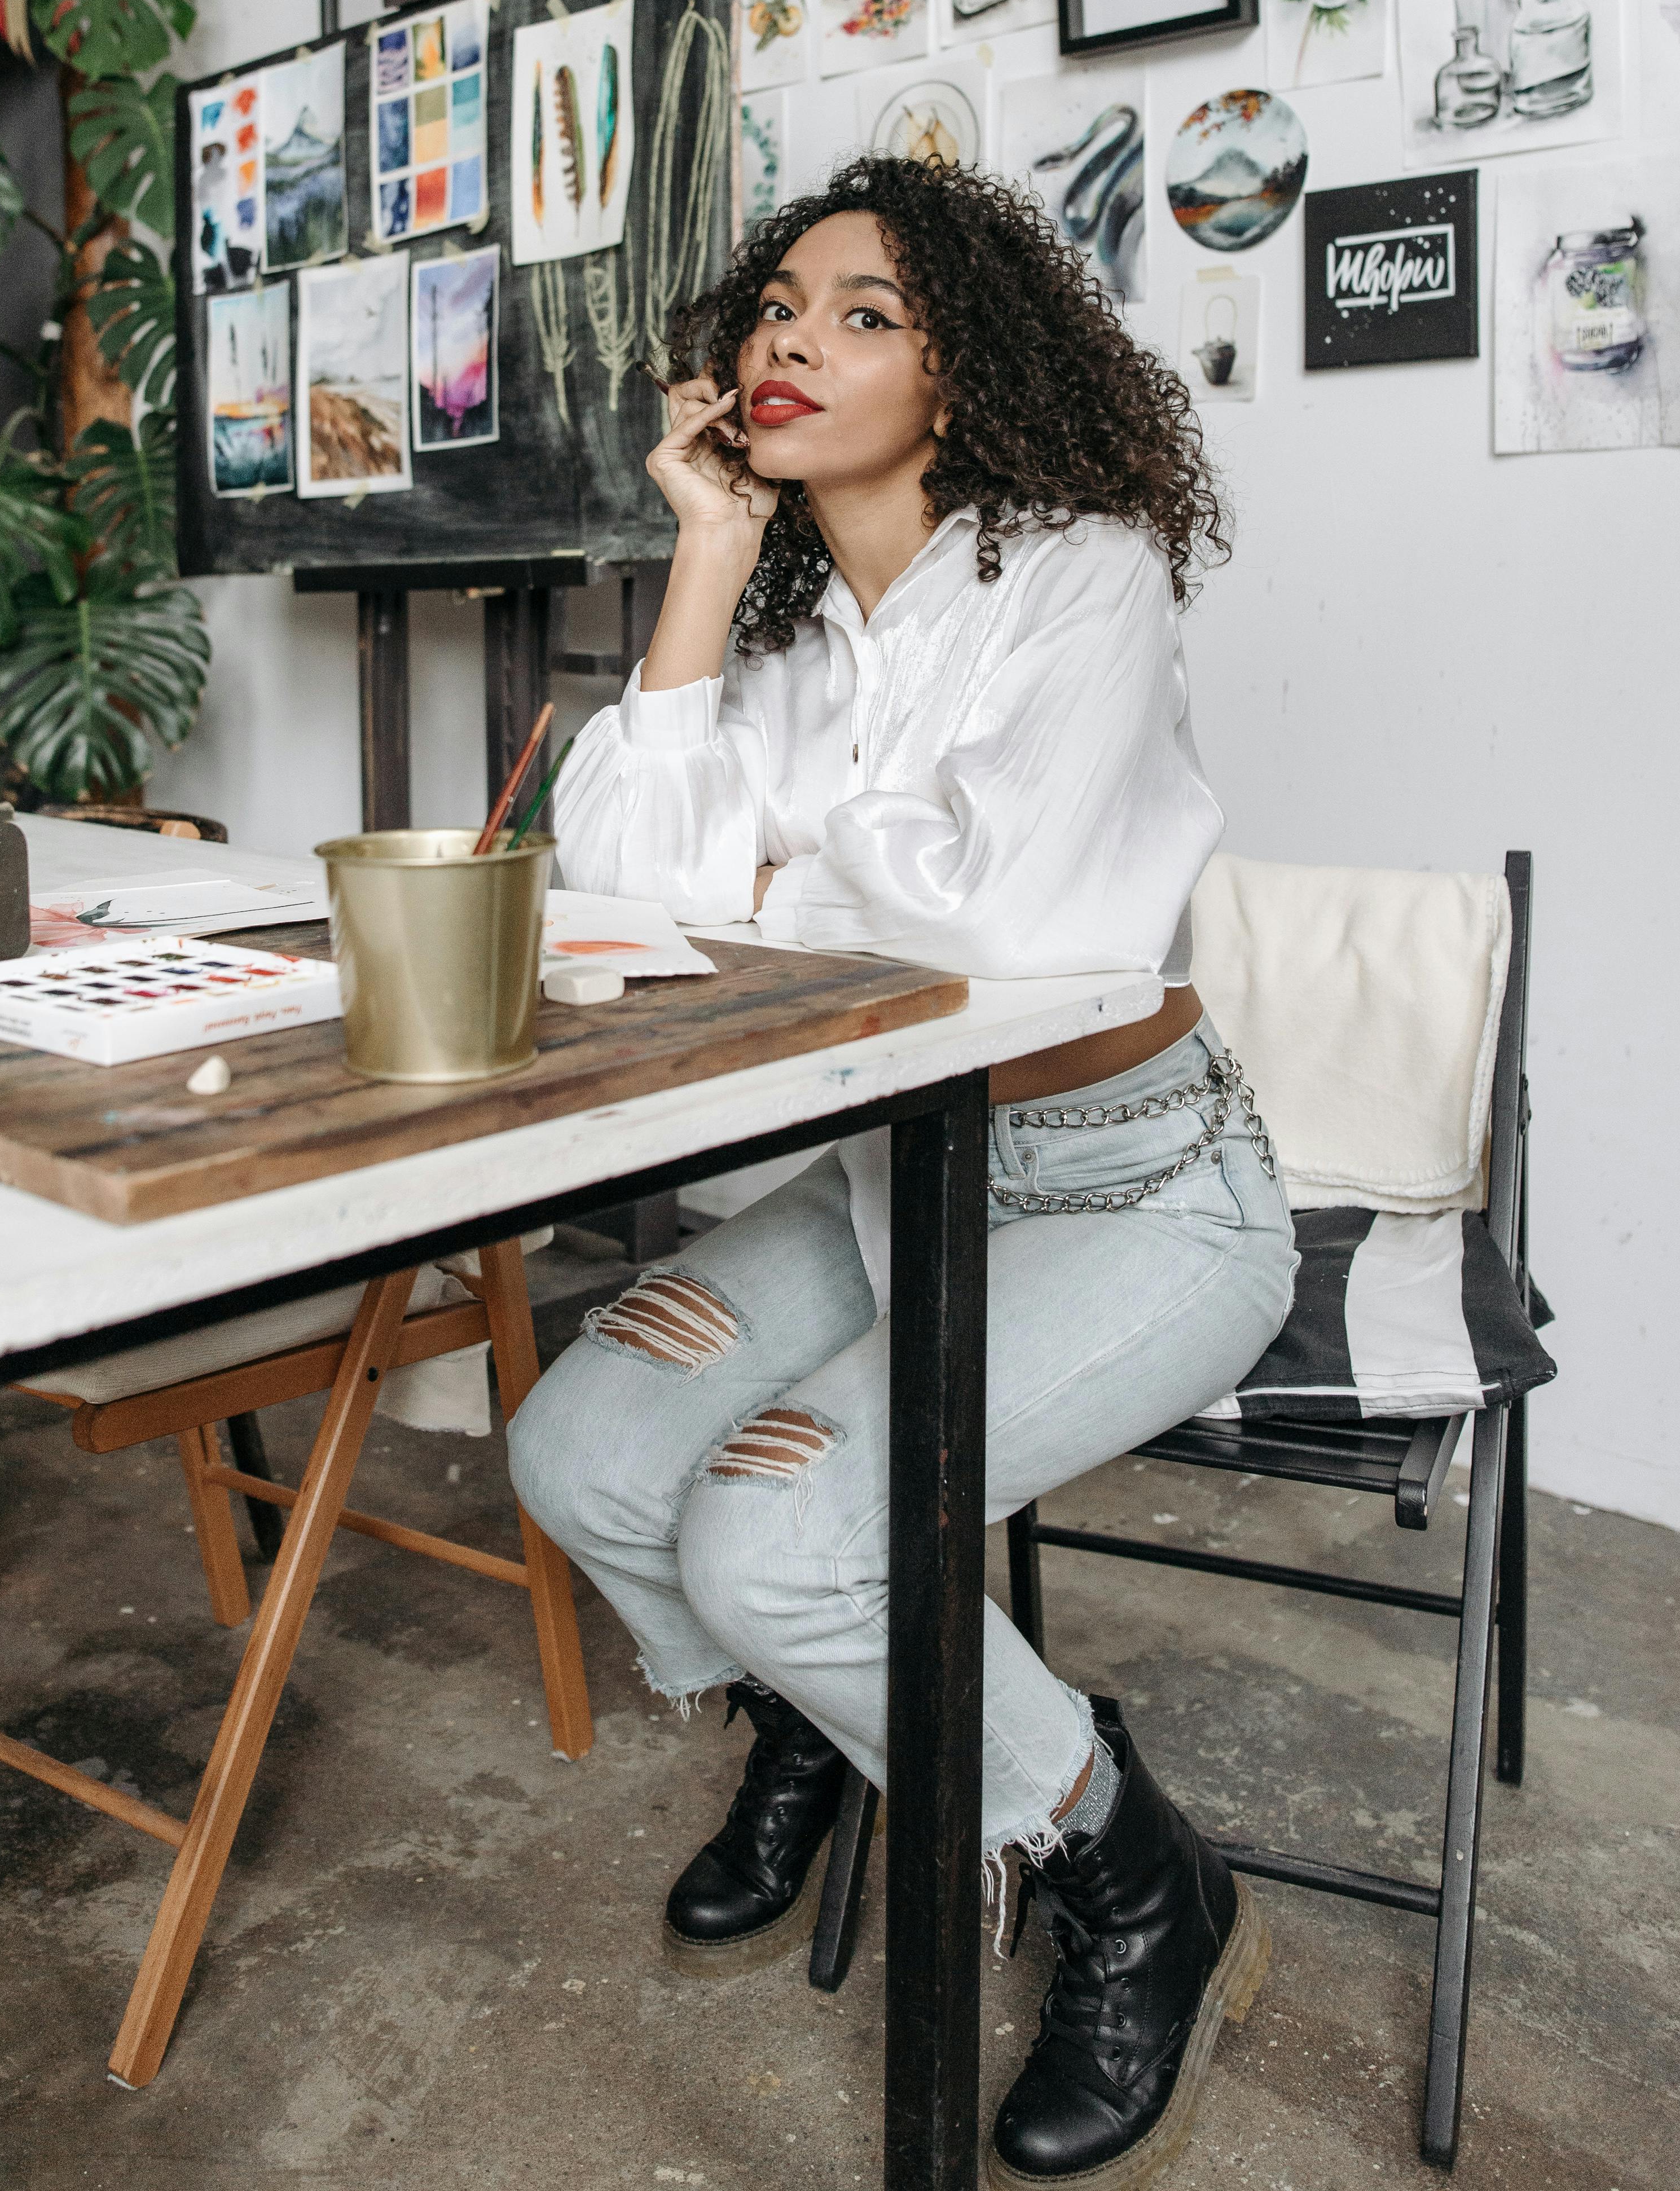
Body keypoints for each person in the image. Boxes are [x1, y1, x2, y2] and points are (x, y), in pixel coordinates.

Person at [507, 155, 1295, 2188]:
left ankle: (1137, 1879)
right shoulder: (778, 639)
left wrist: (780, 879)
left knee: (776, 1538)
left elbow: (1015, 919)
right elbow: (629, 891)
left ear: (969, 373)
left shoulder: (1089, 570)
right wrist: (702, 545)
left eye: (863, 313)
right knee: (580, 1447)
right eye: (778, 306)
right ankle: (834, 1705)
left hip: (1136, 1190)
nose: (791, 339)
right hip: (898, 1178)